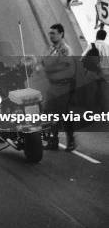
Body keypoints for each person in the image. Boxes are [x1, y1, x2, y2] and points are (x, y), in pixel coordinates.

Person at [42, 23, 76, 151]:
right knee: (50, 114)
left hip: (63, 86)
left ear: (61, 34)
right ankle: (53, 141)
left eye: (53, 33)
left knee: (64, 115)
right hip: (53, 86)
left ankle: (71, 141)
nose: (50, 36)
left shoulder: (65, 50)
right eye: (50, 33)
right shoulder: (51, 49)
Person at [82, 28, 109, 112]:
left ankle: (92, 114)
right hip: (105, 73)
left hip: (92, 72)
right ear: (104, 38)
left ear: (97, 36)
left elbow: (82, 58)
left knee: (90, 94)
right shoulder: (107, 46)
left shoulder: (92, 45)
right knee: (105, 94)